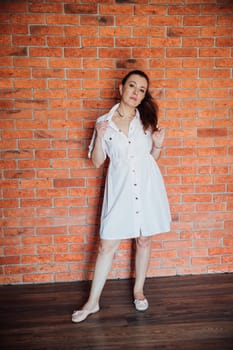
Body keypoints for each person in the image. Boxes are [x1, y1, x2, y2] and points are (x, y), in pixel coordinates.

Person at [72, 70, 171, 323]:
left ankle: (139, 290)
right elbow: (96, 162)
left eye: (141, 90)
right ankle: (92, 303)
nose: (136, 93)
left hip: (147, 187)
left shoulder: (146, 119)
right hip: (120, 189)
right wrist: (99, 135)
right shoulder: (104, 121)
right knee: (107, 245)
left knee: (144, 240)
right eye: (132, 86)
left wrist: (158, 144)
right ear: (121, 88)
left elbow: (151, 158)